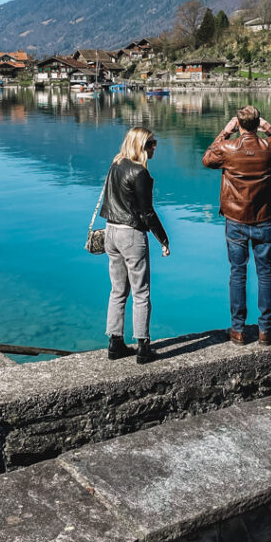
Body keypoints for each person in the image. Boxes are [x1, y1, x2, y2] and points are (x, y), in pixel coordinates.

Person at [202, 105, 271, 345]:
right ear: (258, 124)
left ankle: (238, 330)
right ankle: (265, 331)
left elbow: (207, 159)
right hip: (264, 220)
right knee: (265, 274)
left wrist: (224, 133)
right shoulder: (270, 147)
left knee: (238, 273)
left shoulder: (227, 148)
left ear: (238, 125)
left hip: (235, 220)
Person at [100, 126, 170, 364]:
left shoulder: (116, 164)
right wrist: (163, 239)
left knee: (118, 291)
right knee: (141, 292)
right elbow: (147, 212)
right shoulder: (140, 173)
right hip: (131, 235)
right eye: (151, 143)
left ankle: (115, 344)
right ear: (141, 145)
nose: (154, 147)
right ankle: (143, 347)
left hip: (110, 232)